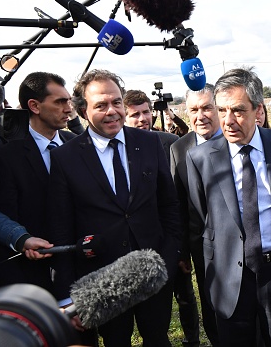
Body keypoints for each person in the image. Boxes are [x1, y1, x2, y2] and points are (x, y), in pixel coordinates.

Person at [47, 69, 180, 347]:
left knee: (158, 339)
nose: (112, 111)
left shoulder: (149, 142)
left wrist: (167, 258)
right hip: (101, 279)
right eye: (101, 105)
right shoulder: (65, 158)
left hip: (152, 271)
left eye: (117, 102)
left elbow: (169, 205)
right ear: (83, 111)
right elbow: (61, 227)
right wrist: (66, 294)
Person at [186, 67, 271, 346]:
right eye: (222, 110)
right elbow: (201, 218)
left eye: (237, 110)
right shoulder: (200, 158)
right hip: (230, 276)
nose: (227, 121)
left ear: (258, 110)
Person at [122, 89, 200, 347]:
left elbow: (180, 197)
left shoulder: (168, 142)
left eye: (146, 112)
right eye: (135, 114)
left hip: (173, 236)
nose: (143, 118)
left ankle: (192, 339)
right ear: (124, 116)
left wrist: (180, 247)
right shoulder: (117, 151)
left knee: (185, 294)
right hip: (138, 242)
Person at [0, 71, 76, 293]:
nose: (68, 109)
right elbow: (8, 219)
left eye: (69, 101)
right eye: (59, 102)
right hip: (37, 276)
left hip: (81, 266)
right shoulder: (8, 157)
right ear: (34, 106)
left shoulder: (77, 145)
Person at [170, 84, 222, 346]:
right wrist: (182, 251)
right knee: (211, 304)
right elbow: (177, 204)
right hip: (203, 246)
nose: (200, 115)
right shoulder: (179, 149)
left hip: (247, 244)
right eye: (193, 109)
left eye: (206, 108)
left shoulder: (237, 140)